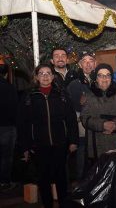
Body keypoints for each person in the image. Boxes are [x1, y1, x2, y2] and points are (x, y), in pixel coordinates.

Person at [18, 64, 78, 208]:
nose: (45, 76)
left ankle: (63, 204)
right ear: (36, 77)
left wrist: (73, 141)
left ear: (52, 76)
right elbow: (22, 124)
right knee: (43, 179)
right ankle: (47, 205)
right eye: (41, 73)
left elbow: (71, 120)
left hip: (60, 144)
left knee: (61, 177)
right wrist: (25, 146)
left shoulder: (62, 95)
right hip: (39, 146)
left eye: (48, 73)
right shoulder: (28, 97)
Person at [80, 63, 116, 159]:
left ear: (111, 78)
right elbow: (84, 117)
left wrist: (115, 124)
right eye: (100, 75)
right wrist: (102, 125)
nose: (104, 78)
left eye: (108, 75)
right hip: (97, 145)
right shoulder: (89, 96)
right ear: (96, 78)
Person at [67, 50, 96, 180]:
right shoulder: (75, 83)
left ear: (95, 64)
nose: (88, 64)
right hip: (81, 126)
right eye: (85, 61)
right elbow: (74, 105)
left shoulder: (100, 79)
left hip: (97, 124)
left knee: (95, 155)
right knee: (82, 155)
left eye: (91, 61)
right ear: (80, 64)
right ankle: (80, 182)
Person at [0, 60, 18, 192]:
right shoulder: (9, 87)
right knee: (6, 156)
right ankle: (4, 182)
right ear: (6, 74)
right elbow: (15, 108)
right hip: (7, 126)